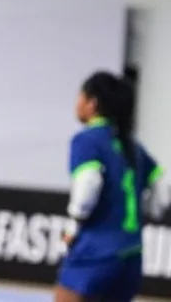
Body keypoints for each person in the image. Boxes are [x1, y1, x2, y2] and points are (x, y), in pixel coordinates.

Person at [56, 71, 169, 302]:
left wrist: (73, 226)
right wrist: (151, 211)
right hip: (131, 256)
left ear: (92, 103)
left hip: (95, 254)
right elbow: (163, 187)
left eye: (81, 96)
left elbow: (89, 183)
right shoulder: (132, 146)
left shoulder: (87, 140)